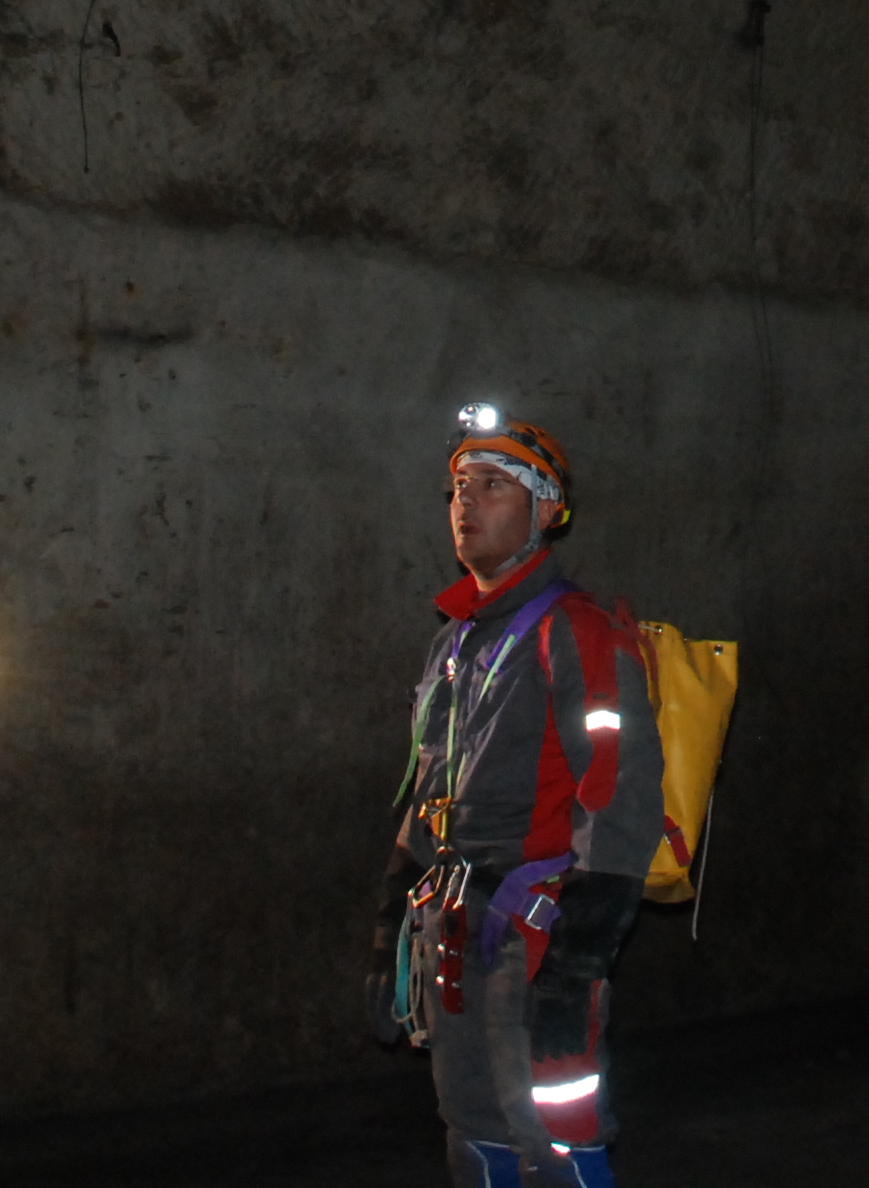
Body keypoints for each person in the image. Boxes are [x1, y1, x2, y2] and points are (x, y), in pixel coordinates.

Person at [369, 409, 662, 1188]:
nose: (466, 502)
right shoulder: (456, 642)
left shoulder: (578, 631)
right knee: (473, 1133)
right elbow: (429, 785)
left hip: (539, 934)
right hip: (456, 929)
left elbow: (621, 792)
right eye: (459, 486)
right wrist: (390, 923)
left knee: (559, 1139)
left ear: (544, 511)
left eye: (493, 486)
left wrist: (579, 962)